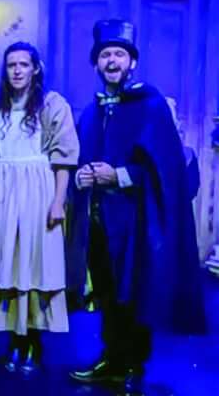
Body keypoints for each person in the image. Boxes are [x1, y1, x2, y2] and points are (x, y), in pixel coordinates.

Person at [68, 20, 206, 395]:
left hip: (138, 220)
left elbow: (168, 169)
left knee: (135, 290)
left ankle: (134, 364)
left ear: (133, 63)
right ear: (96, 63)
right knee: (108, 291)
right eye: (105, 55)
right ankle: (111, 358)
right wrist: (82, 177)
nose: (112, 61)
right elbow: (79, 158)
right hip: (100, 219)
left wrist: (119, 175)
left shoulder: (151, 105)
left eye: (119, 54)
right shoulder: (92, 111)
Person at [0, 42, 79, 374]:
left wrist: (58, 201)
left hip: (37, 190)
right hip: (3, 192)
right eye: (11, 65)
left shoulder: (52, 105)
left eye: (23, 64)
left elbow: (64, 159)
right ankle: (14, 338)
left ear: (35, 69)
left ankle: (33, 339)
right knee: (7, 263)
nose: (17, 70)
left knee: (34, 263)